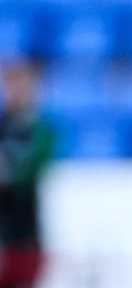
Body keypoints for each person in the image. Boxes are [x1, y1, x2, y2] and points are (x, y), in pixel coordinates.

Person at [0, 60, 55, 288]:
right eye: (12, 84)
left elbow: (34, 165)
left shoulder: (42, 128)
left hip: (25, 233)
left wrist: (8, 168)